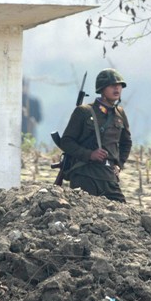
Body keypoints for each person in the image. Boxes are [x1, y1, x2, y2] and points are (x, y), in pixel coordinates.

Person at [59, 68, 132, 202]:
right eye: (112, 85)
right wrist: (90, 154)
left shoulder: (119, 114)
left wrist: (119, 164)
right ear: (102, 89)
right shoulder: (84, 112)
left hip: (108, 176)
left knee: (122, 213)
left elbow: (126, 143)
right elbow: (66, 142)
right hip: (85, 173)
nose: (117, 89)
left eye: (119, 85)